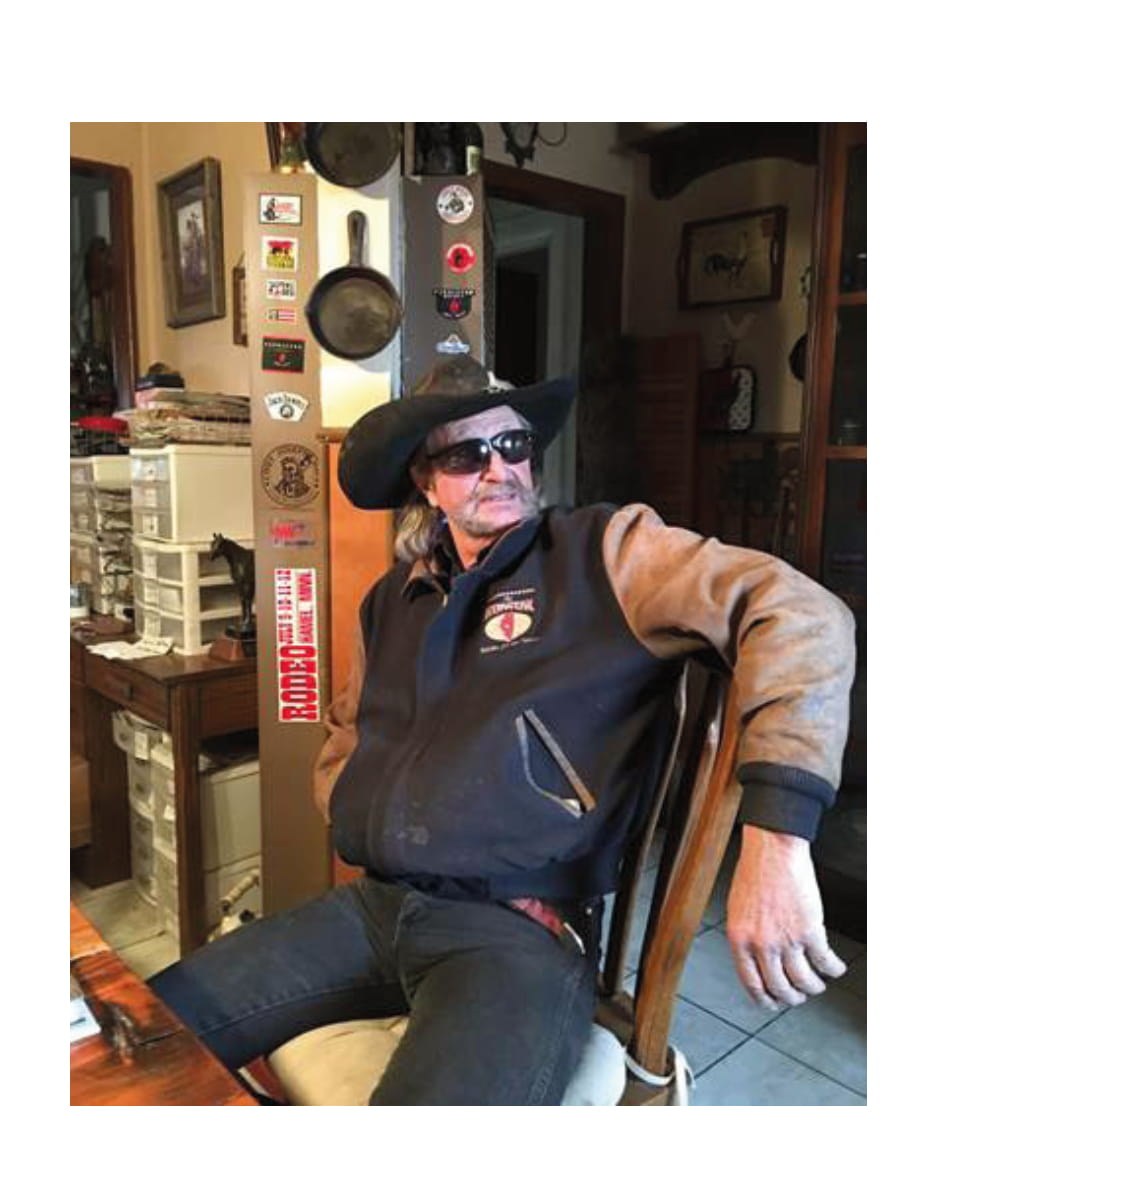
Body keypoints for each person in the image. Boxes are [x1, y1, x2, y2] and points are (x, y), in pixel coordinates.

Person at [150, 357, 857, 1104]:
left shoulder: (606, 552)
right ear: (427, 483)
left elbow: (800, 612)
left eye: (513, 445)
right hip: (376, 906)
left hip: (516, 932)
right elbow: (349, 731)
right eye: (465, 454)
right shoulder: (392, 599)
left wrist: (777, 839)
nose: (498, 468)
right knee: (139, 1034)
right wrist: (365, 809)